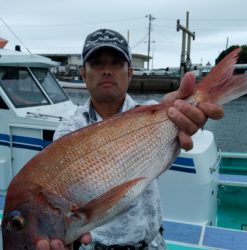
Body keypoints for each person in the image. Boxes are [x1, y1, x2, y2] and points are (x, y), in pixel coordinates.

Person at [36, 29, 223, 250]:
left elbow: (175, 119)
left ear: (130, 73)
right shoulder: (68, 131)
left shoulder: (154, 114)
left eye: (116, 63)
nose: (106, 70)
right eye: (97, 63)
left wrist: (186, 111)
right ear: (83, 74)